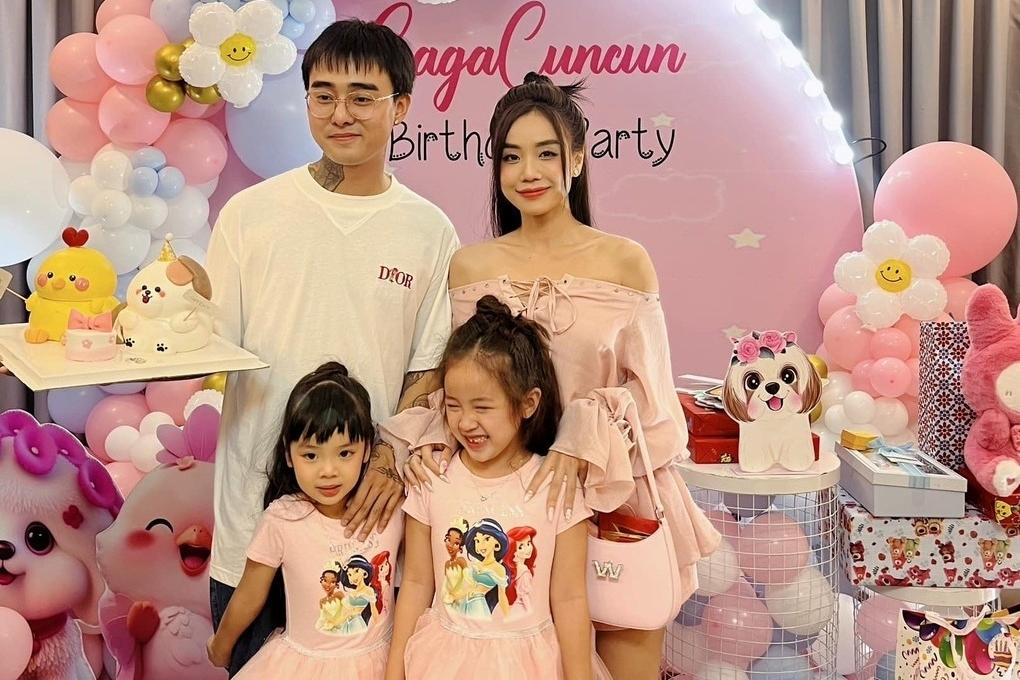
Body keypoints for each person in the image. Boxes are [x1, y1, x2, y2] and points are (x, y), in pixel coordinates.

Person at [400, 73, 721, 678]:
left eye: (546, 153)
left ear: (576, 158)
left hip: (608, 503)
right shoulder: (470, 266)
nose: (529, 171)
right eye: (511, 156)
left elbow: (656, 405)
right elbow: (459, 382)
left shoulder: (624, 261)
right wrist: (423, 438)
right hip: (503, 512)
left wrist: (583, 432)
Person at [205, 19, 459, 674]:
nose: (340, 113)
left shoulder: (428, 231)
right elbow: (206, 346)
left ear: (401, 106)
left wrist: (388, 458)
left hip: (369, 538)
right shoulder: (250, 215)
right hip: (254, 524)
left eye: (362, 96)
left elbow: (430, 368)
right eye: (323, 95)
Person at [385, 297, 609, 679]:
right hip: (443, 661)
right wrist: (394, 672)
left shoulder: (556, 486)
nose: (465, 422)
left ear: (528, 403)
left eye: (482, 407)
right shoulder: (431, 478)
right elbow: (418, 583)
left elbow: (570, 599)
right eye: (453, 405)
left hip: (531, 665)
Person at [207, 362, 402, 679]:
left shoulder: (387, 507)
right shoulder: (282, 519)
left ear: (368, 449)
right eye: (311, 455)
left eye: (345, 453)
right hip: (304, 667)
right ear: (288, 454)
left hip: (380, 662)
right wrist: (220, 645)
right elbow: (250, 594)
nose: (328, 471)